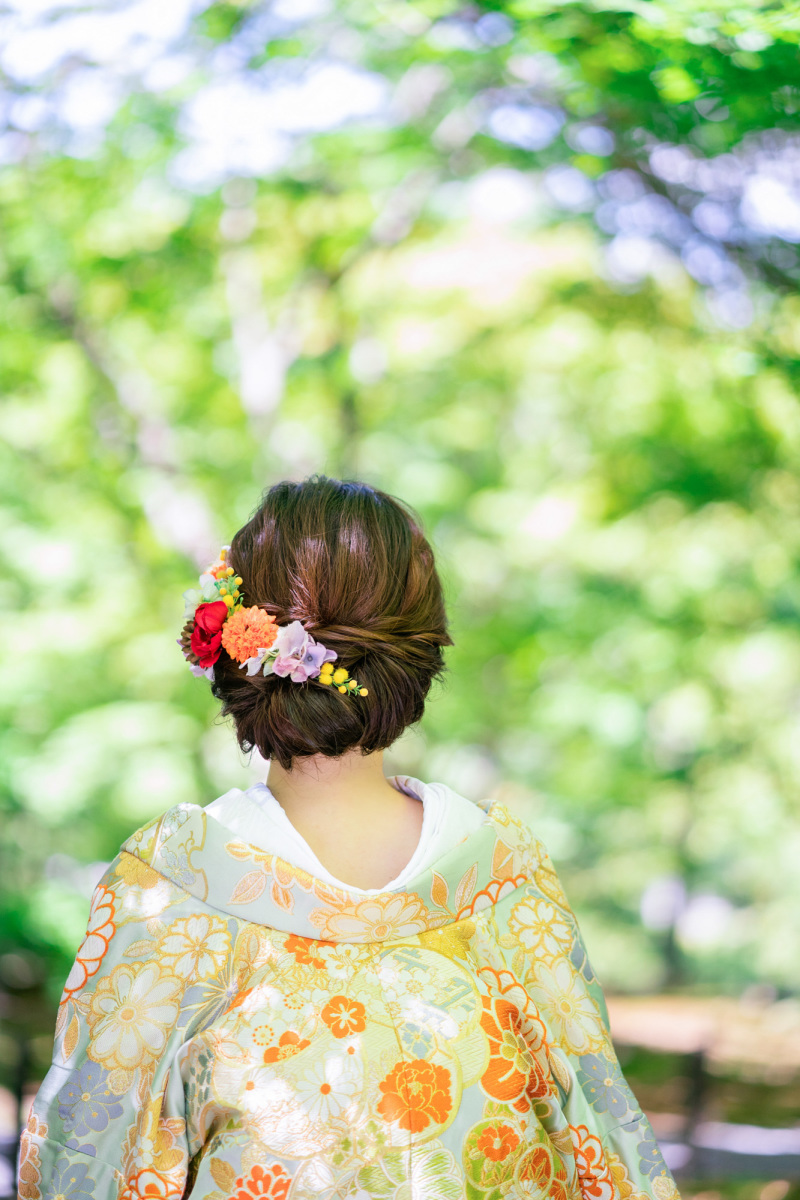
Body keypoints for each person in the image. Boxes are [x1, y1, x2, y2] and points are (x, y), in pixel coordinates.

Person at [19, 475, 680, 1200]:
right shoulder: (499, 873)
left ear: (234, 641)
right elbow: (601, 1141)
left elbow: (89, 1159)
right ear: (421, 647)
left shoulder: (175, 888)